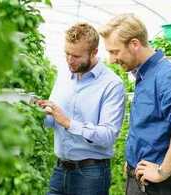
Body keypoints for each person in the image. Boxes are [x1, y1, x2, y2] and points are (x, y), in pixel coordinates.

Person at [99, 13, 171, 195]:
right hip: (140, 180)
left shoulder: (165, 76)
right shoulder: (145, 74)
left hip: (157, 187)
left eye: (114, 51)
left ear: (135, 44)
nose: (112, 59)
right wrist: (132, 161)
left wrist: (162, 171)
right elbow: (152, 125)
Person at [36, 22, 125, 195]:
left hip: (91, 174)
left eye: (76, 56)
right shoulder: (64, 74)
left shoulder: (112, 84)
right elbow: (52, 119)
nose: (70, 60)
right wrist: (39, 112)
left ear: (94, 53)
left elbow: (108, 135)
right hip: (60, 169)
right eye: (67, 54)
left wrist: (69, 123)